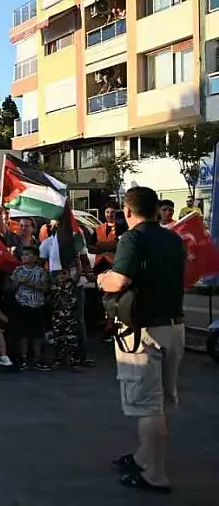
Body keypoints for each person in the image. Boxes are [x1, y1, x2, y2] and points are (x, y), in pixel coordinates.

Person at [98, 186, 185, 494]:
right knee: (161, 402)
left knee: (149, 407)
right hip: (175, 326)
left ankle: (155, 474)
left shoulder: (132, 239)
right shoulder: (173, 238)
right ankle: (144, 457)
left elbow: (118, 279)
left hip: (144, 330)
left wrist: (100, 279)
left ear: (128, 210)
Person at [10, 246, 50, 371]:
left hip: (37, 306)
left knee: (37, 334)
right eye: (23, 254)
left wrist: (29, 283)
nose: (24, 257)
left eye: (27, 254)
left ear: (35, 257)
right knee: (23, 334)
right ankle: (24, 358)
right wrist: (17, 282)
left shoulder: (41, 271)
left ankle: (37, 358)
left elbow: (45, 288)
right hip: (22, 306)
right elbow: (11, 288)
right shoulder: (18, 270)